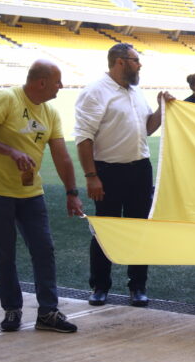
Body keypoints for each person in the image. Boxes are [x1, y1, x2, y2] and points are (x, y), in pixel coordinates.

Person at [0, 60, 83, 333]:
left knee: (43, 249)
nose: (61, 86)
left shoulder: (50, 113)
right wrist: (10, 152)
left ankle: (48, 312)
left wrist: (72, 192)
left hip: (30, 191)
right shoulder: (7, 99)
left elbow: (62, 156)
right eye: (58, 81)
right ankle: (12, 310)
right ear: (42, 82)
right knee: (5, 252)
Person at [74, 43, 175, 308]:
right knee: (105, 230)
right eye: (136, 60)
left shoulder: (136, 91)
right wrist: (91, 176)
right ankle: (100, 286)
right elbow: (83, 138)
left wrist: (161, 109)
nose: (140, 65)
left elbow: (147, 129)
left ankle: (138, 286)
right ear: (120, 61)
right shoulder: (95, 91)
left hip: (140, 169)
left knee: (139, 229)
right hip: (107, 171)